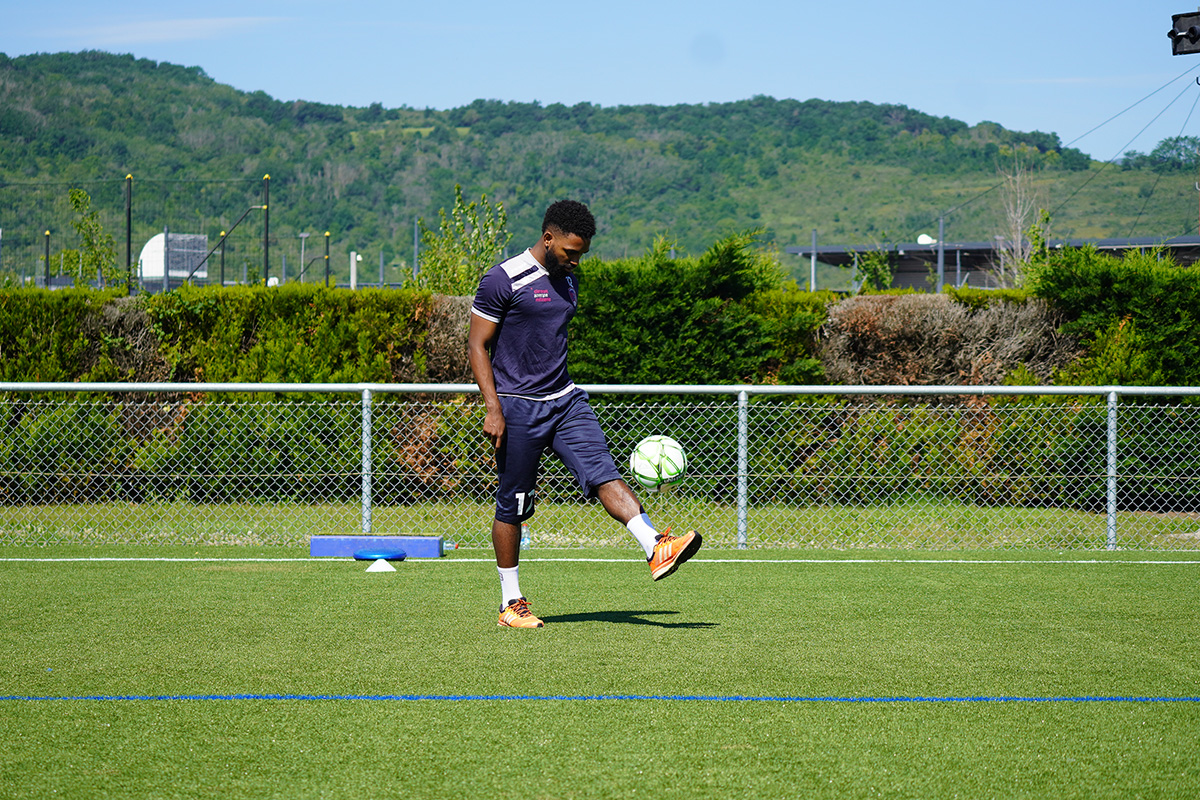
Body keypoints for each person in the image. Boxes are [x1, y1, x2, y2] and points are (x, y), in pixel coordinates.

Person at [467, 199, 702, 628]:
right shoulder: (503, 279)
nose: (575, 261)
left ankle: (655, 546)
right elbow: (476, 345)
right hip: (518, 409)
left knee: (603, 473)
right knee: (513, 506)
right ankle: (510, 603)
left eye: (582, 255)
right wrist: (493, 406)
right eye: (570, 252)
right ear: (548, 237)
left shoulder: (568, 281)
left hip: (567, 401)